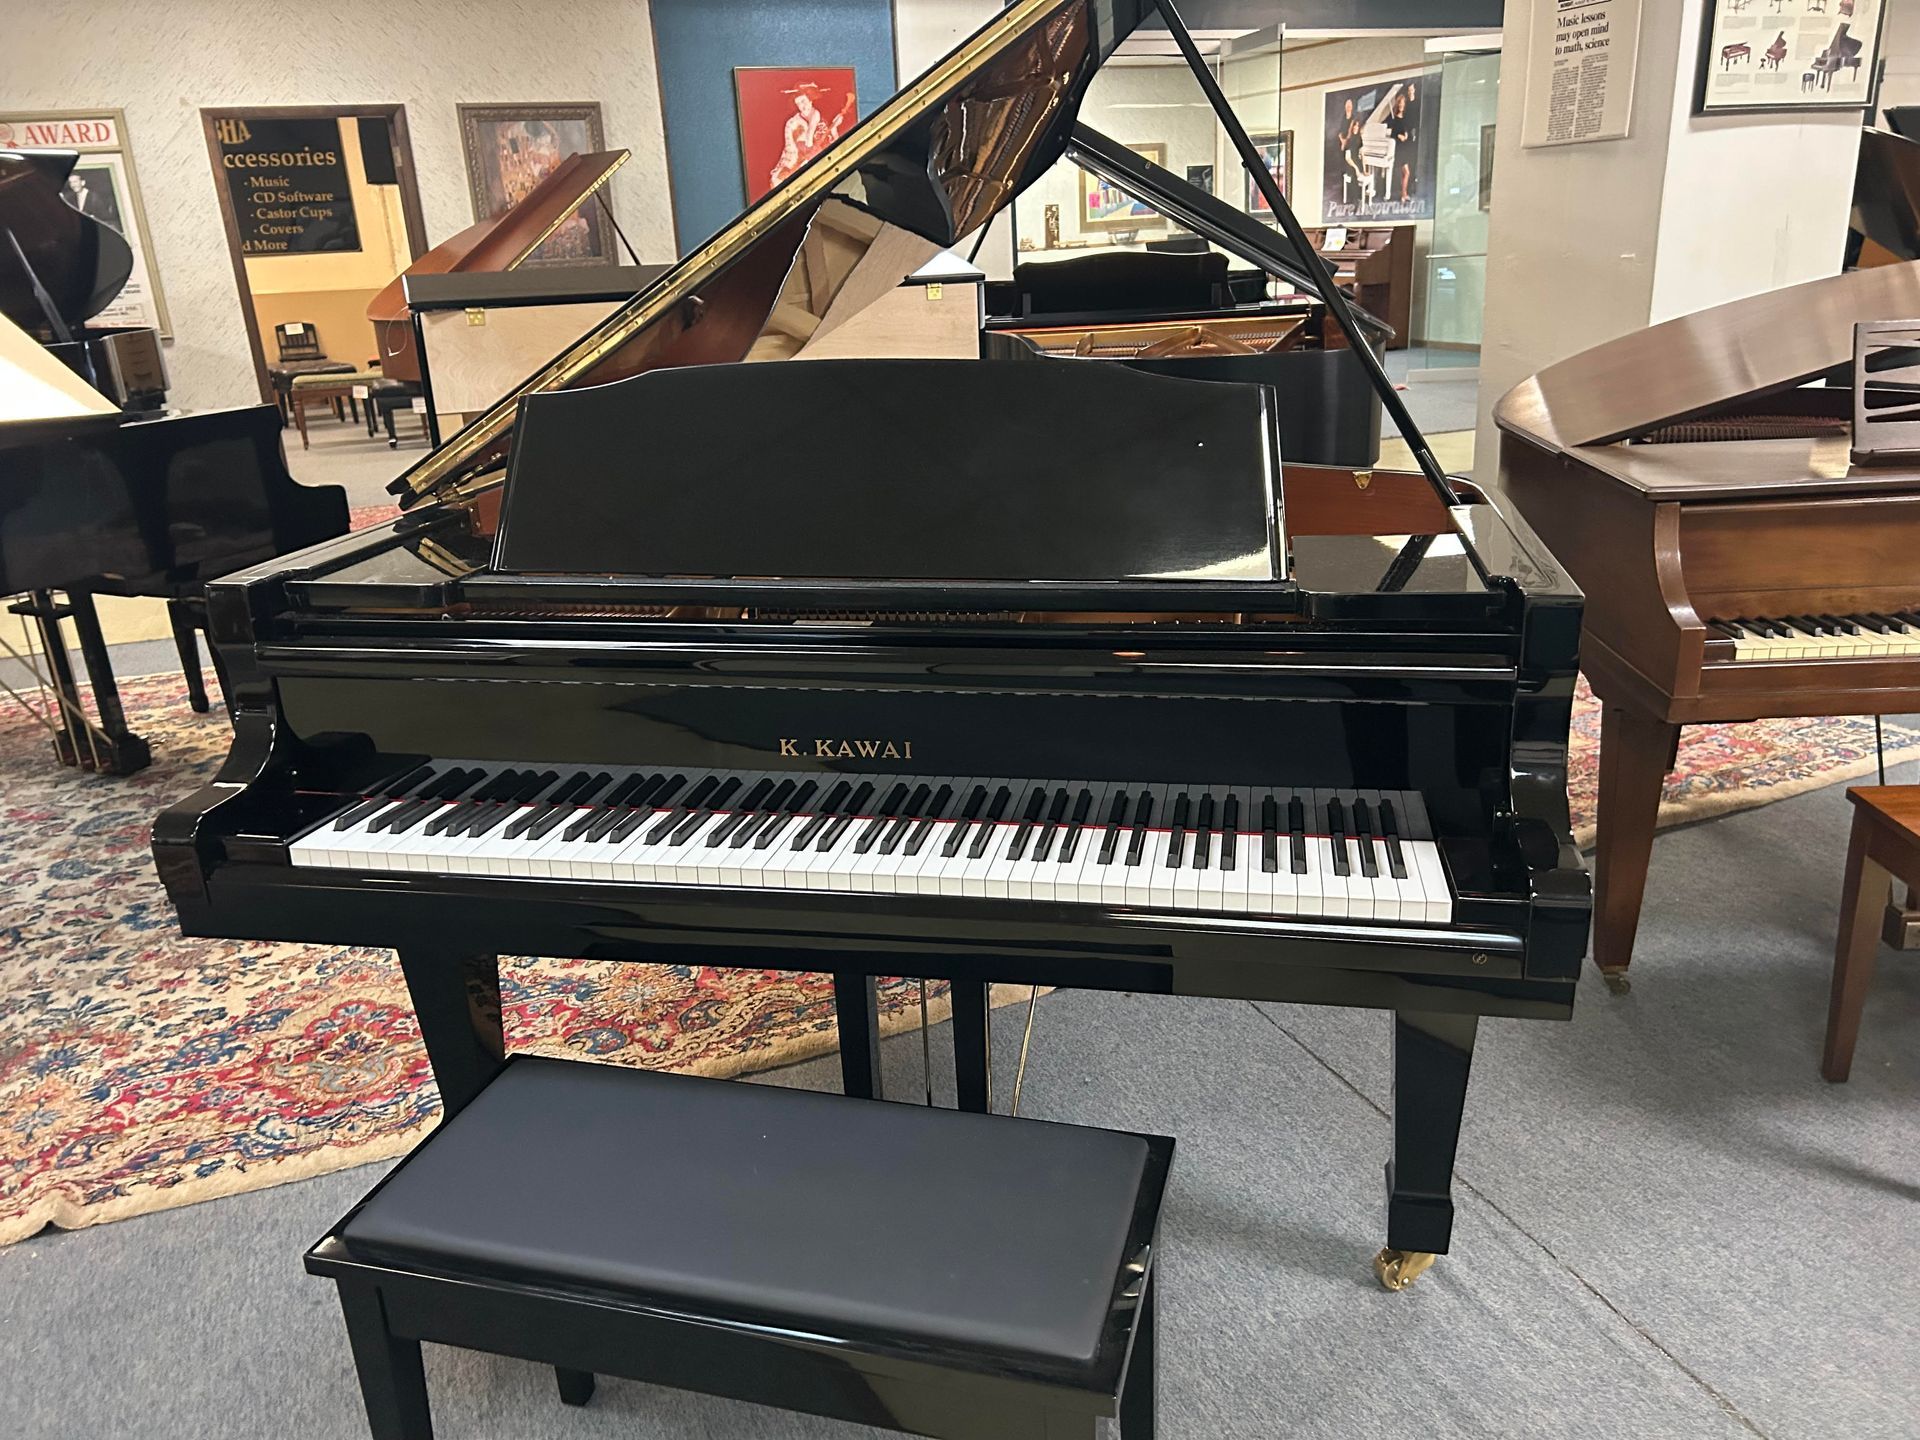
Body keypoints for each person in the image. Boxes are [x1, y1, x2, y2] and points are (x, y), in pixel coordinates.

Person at [770, 84, 855, 190]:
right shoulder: (793, 123)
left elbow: (834, 146)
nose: (802, 106)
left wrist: (834, 129)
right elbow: (799, 147)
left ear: (810, 100)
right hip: (797, 164)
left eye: (804, 101)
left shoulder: (820, 118)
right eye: (798, 103)